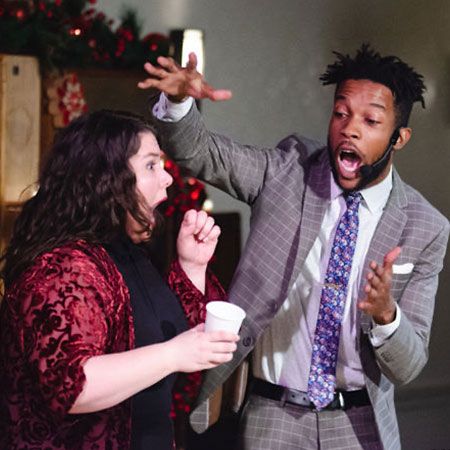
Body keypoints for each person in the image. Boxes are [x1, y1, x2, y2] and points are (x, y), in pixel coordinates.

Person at [138, 44, 450, 450]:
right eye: (341, 113)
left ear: (399, 137)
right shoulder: (288, 171)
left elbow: (408, 366)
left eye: (371, 120)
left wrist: (386, 314)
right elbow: (201, 153)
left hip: (358, 426)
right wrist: (179, 103)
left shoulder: (426, 227)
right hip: (273, 416)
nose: (350, 129)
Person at [0, 109, 239, 450]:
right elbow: (74, 386)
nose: (167, 178)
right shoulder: (63, 267)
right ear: (106, 179)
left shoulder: (126, 252)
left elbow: (176, 341)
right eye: (151, 165)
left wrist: (192, 265)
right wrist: (173, 354)